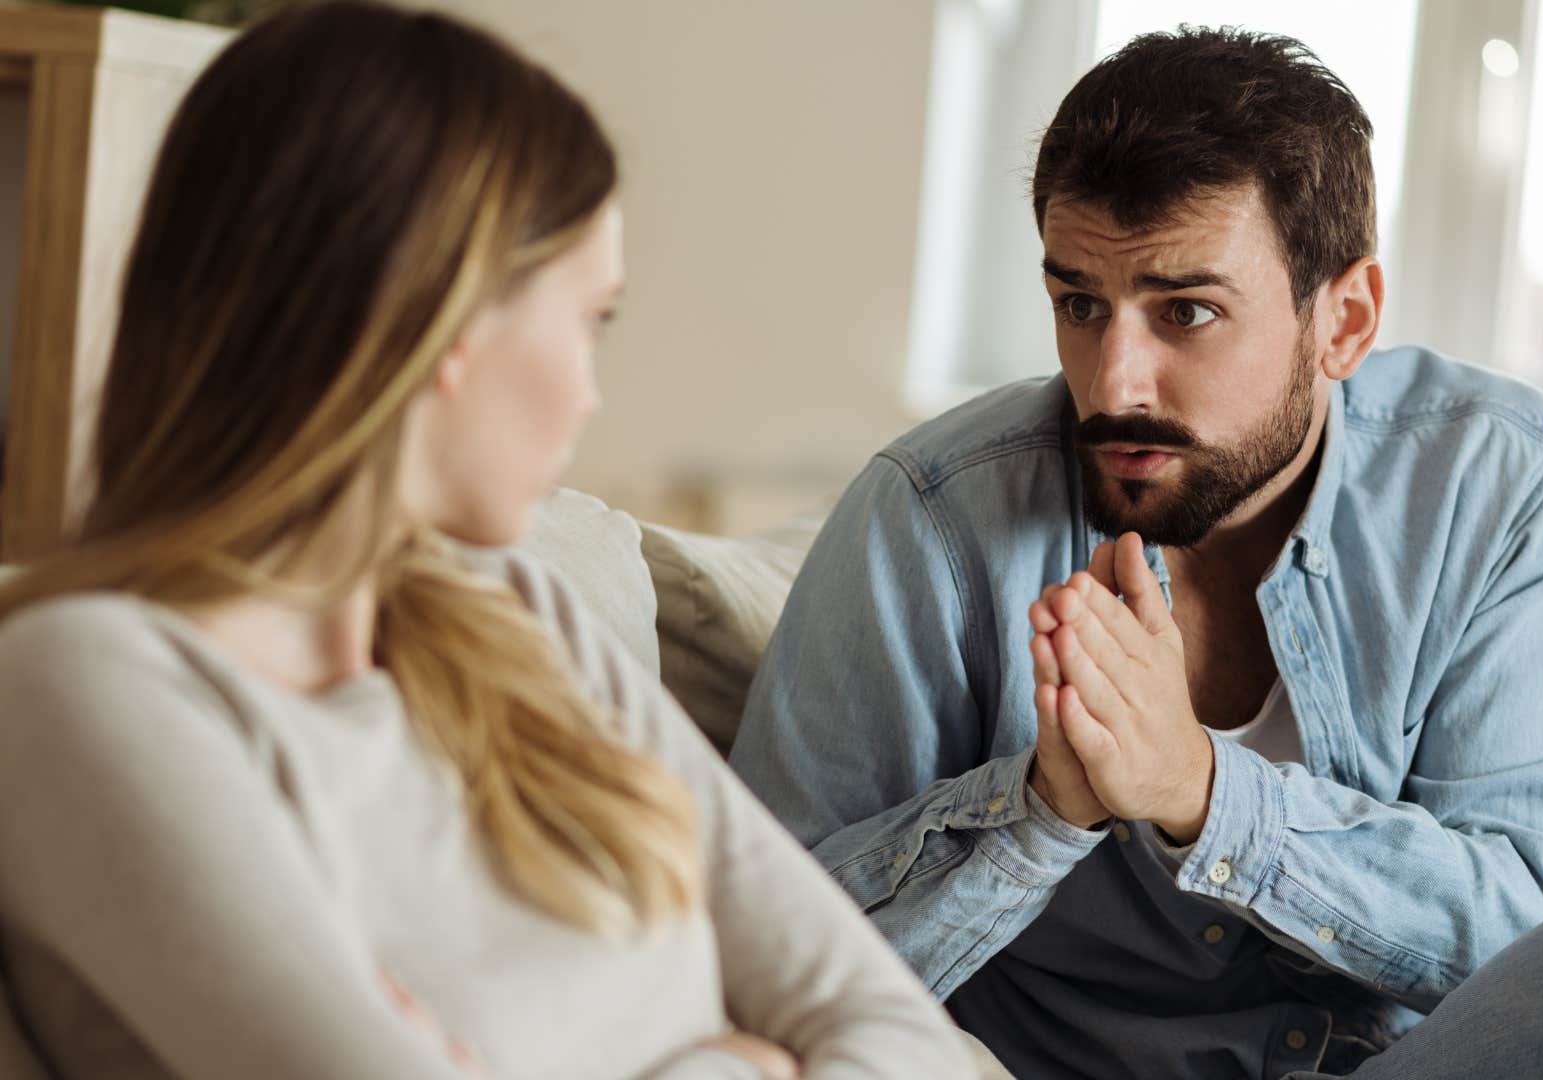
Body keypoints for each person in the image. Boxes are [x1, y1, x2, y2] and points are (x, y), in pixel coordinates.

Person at [730, 26, 1543, 1079]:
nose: (1113, 380)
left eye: (1185, 311)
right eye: (1079, 302)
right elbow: (757, 961)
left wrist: (1205, 795)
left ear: (1341, 320)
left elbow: (1529, 936)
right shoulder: (928, 521)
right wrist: (1042, 810)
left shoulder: (1489, 476)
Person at [0, 4, 971, 1077]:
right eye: (591, 319)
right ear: (444, 324)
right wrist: (752, 1065)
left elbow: (900, 1034)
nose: (594, 396)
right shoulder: (87, 685)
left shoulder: (518, 607)